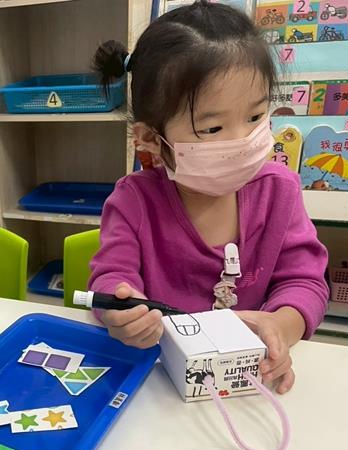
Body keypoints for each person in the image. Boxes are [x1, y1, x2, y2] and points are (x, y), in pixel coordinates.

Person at [89, 1, 329, 394]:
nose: (242, 141)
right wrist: (123, 310)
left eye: (255, 117)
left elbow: (305, 283)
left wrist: (280, 327)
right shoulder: (133, 201)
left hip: (249, 380)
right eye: (213, 128)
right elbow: (111, 279)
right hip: (159, 382)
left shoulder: (279, 191)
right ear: (151, 139)